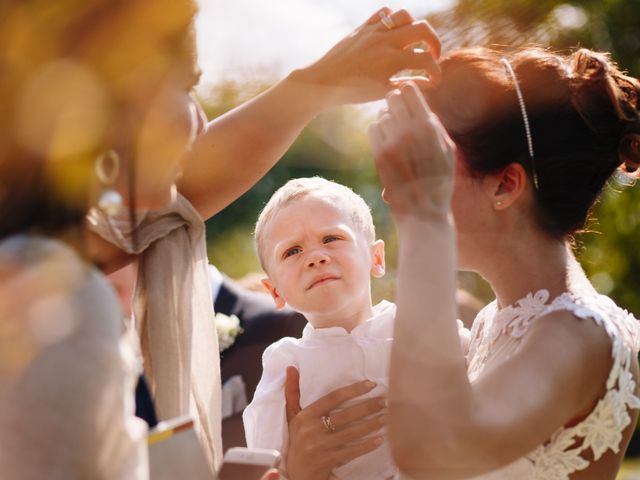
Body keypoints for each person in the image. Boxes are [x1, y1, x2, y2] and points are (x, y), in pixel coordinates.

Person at [0, 0, 442, 478]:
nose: (199, 122)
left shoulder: (27, 260)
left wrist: (317, 85)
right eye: (186, 87)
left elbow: (176, 197)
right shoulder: (54, 304)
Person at [367, 47, 640, 479]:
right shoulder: (496, 322)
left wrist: (426, 218)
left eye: (429, 168)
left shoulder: (578, 334)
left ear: (505, 184)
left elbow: (433, 450)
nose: (392, 194)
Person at [243, 177, 470, 479]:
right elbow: (267, 462)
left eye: (331, 239)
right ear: (275, 292)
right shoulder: (285, 364)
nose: (316, 257)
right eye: (292, 251)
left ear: (376, 258)